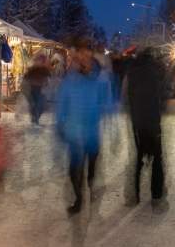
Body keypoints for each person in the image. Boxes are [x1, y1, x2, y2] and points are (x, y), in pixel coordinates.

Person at [56, 38, 110, 214]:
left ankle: (91, 184)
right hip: (74, 132)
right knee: (73, 171)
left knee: (91, 168)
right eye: (80, 53)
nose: (83, 57)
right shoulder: (70, 78)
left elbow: (108, 102)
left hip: (92, 133)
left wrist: (106, 113)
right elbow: (62, 102)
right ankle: (79, 199)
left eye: (86, 53)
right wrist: (60, 124)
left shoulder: (100, 78)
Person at [125, 48, 166, 203]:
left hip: (138, 121)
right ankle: (156, 193)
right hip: (153, 120)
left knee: (138, 158)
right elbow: (160, 95)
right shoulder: (155, 71)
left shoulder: (133, 71)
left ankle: (134, 193)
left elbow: (129, 96)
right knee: (157, 157)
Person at [23, 54, 52, 125]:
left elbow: (49, 76)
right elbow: (26, 77)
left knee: (40, 105)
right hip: (32, 89)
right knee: (34, 105)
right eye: (38, 60)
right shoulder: (32, 69)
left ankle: (35, 118)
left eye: (40, 61)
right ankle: (34, 119)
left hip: (40, 89)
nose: (39, 62)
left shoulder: (43, 69)